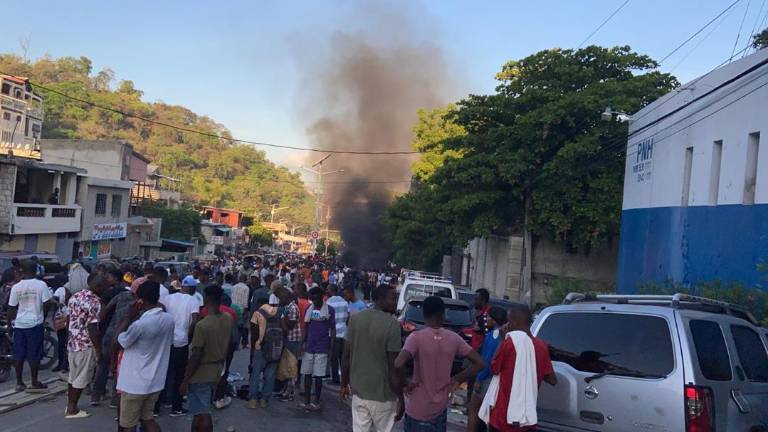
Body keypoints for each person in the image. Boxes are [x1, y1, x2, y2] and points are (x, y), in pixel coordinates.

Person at [395, 296, 484, 432]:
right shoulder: (454, 338)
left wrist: (406, 383)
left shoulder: (416, 338)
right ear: (443, 314)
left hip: (418, 409)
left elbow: (398, 363)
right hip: (440, 410)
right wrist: (457, 379)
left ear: (424, 314)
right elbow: (479, 363)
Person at [341, 285, 404, 432]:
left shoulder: (355, 319)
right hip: (384, 397)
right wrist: (401, 398)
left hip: (359, 393)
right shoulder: (392, 324)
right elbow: (394, 366)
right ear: (380, 300)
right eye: (392, 298)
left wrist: (344, 384)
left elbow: (345, 356)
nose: (395, 302)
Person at [485, 305, 556, 432]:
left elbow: (494, 368)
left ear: (514, 322)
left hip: (503, 417)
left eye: (509, 320)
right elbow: (552, 380)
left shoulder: (509, 343)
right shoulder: (541, 346)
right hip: (526, 419)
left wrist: (502, 339)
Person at [115, 280, 175, 432]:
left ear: (140, 300)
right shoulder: (169, 319)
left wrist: (128, 317)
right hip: (155, 381)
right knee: (148, 418)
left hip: (134, 384)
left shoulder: (140, 325)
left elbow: (120, 341)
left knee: (128, 425)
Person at [180, 285, 233, 432]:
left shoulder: (202, 325)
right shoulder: (227, 318)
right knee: (199, 411)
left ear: (207, 298)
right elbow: (229, 345)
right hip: (217, 369)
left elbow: (196, 355)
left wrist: (185, 379)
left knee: (203, 413)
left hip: (202, 373)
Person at [65, 274, 108, 419]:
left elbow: (69, 319)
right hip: (85, 344)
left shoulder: (75, 296)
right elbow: (92, 328)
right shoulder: (95, 302)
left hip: (73, 342)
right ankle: (72, 409)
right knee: (82, 378)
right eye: (105, 286)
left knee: (73, 376)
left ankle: (70, 404)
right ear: (98, 287)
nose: (106, 288)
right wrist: (98, 349)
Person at [7, 260, 54, 392]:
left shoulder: (16, 287)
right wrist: (42, 316)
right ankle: (34, 382)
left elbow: (11, 308)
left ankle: (19, 382)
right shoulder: (41, 285)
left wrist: (10, 325)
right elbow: (47, 303)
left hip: (20, 324)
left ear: (22, 270)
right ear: (36, 271)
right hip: (35, 324)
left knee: (19, 354)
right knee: (34, 354)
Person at [467, 306, 508, 432]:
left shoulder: (492, 335)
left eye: (489, 317)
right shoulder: (506, 337)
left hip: (486, 378)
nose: (486, 319)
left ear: (494, 319)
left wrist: (479, 379)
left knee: (473, 409)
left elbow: (486, 360)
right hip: (499, 381)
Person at [163, 279, 200, 416]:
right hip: (181, 342)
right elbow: (195, 320)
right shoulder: (193, 301)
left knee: (164, 372)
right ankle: (176, 407)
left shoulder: (168, 298)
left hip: (166, 340)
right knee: (179, 375)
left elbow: (161, 310)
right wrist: (189, 337)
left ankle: (158, 405)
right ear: (192, 288)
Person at [247, 288, 289, 408]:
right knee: (270, 375)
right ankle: (265, 400)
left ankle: (253, 400)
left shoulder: (258, 313)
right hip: (276, 348)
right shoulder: (280, 311)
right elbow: (285, 330)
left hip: (261, 347)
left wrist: (254, 348)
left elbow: (254, 333)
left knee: (255, 374)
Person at [301, 286, 335, 411]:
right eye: (312, 299)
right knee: (307, 373)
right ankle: (306, 401)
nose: (314, 301)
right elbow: (305, 326)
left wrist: (331, 346)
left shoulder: (330, 310)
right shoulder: (309, 309)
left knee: (319, 375)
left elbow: (333, 328)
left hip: (322, 346)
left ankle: (317, 401)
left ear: (322, 297)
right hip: (309, 346)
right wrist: (302, 343)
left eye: (316, 298)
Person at [326, 284, 348, 385]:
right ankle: (344, 378)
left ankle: (335, 379)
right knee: (342, 358)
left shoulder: (329, 302)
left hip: (334, 333)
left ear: (330, 290)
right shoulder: (344, 301)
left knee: (334, 358)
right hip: (344, 332)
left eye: (327, 289)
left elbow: (327, 318)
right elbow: (348, 317)